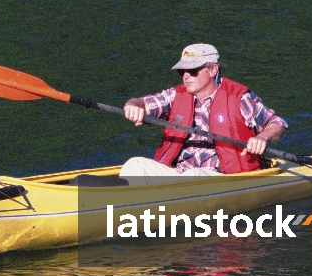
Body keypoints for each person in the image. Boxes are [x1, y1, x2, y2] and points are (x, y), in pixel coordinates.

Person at [120, 43, 287, 181]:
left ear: (213, 70)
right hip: (179, 174)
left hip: (221, 177)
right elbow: (141, 103)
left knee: (194, 175)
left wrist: (262, 137)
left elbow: (277, 124)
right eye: (182, 71)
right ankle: (121, 206)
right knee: (134, 165)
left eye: (192, 70)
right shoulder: (175, 95)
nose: (186, 76)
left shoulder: (239, 98)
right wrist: (133, 106)